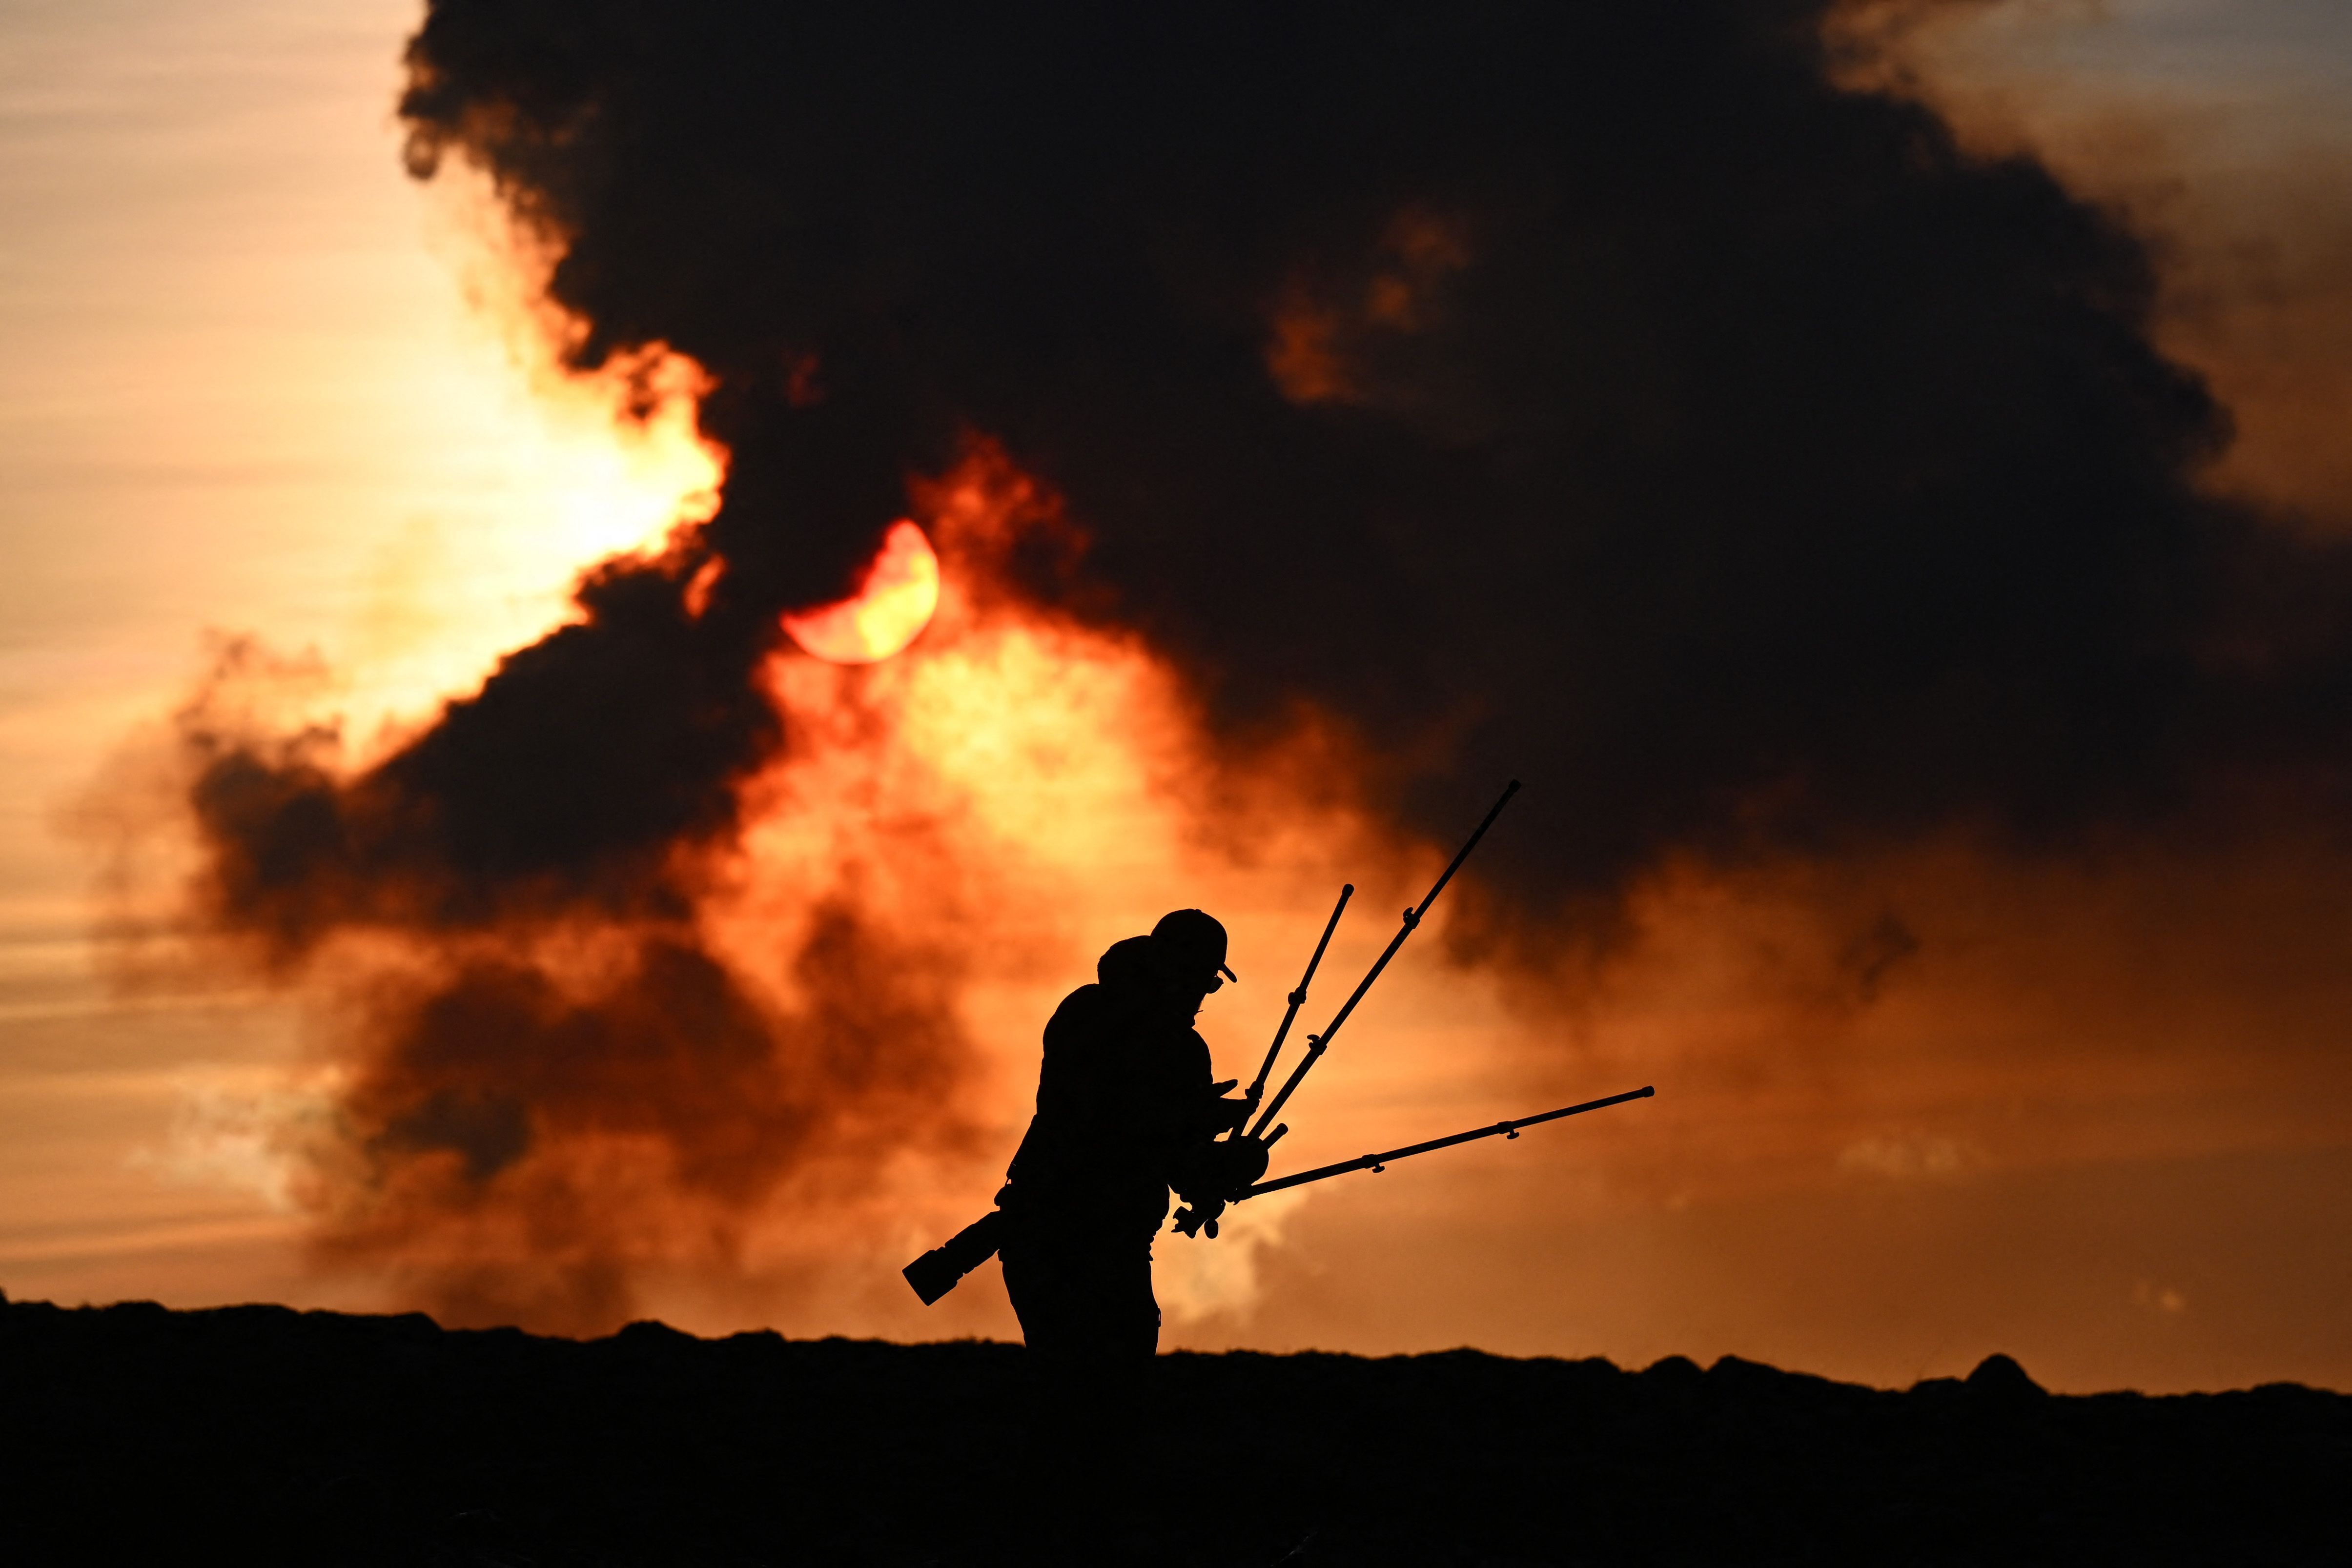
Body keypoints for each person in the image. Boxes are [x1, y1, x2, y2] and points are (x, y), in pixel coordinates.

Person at [994, 909, 1270, 1541]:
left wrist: (1227, 1161)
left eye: (1213, 984)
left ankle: (1060, 1531)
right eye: (1204, 979)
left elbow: (1180, 1165)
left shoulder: (1130, 1029)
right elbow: (1118, 1121)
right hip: (1068, 1242)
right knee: (1088, 1398)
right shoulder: (1102, 1019)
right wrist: (1200, 1126)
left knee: (1093, 1401)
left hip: (1087, 1243)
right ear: (1177, 967)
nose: (1206, 995)